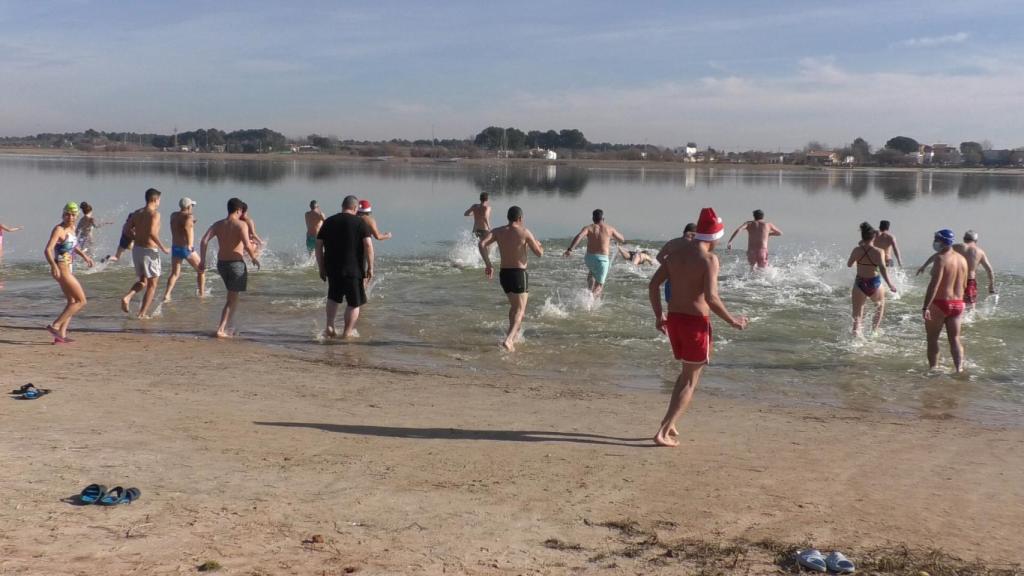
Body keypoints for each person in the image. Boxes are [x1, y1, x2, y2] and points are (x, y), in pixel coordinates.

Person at [648, 207, 747, 447]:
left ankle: (669, 423)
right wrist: (733, 320)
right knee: (691, 381)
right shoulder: (709, 259)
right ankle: (662, 432)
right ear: (715, 237)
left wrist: (659, 315)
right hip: (695, 324)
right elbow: (712, 298)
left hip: (674, 319)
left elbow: (653, 286)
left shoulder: (676, 254)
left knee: (684, 376)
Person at [478, 205, 544, 352]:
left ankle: (512, 337)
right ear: (520, 218)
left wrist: (488, 264)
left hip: (504, 275)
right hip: (519, 274)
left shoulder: (498, 231)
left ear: (508, 218)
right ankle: (509, 340)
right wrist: (540, 245)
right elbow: (539, 253)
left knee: (514, 307)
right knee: (520, 310)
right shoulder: (524, 232)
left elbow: (481, 244)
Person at [199, 198, 261, 338]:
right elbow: (246, 245)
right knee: (231, 299)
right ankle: (221, 329)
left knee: (232, 297)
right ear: (238, 210)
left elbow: (203, 241)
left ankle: (229, 325)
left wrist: (202, 260)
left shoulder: (218, 224)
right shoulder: (241, 225)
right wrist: (254, 257)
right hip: (235, 264)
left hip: (222, 264)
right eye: (241, 212)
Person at [316, 195, 374, 339]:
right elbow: (368, 245)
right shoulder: (360, 223)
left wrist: (321, 267)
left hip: (333, 269)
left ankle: (330, 325)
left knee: (333, 297)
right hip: (354, 270)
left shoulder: (328, 222)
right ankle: (347, 332)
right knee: (354, 303)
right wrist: (370, 268)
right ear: (355, 208)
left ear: (342, 206)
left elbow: (318, 246)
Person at [43, 202, 94, 343]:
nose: (70, 217)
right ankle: (55, 325)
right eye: (67, 214)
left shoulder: (71, 228)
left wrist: (85, 256)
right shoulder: (58, 229)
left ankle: (61, 336)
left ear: (76, 216)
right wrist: (53, 266)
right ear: (63, 214)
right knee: (81, 301)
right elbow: (47, 250)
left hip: (68, 268)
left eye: (73, 215)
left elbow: (73, 244)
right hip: (62, 269)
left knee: (72, 301)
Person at [922, 229, 969, 372]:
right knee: (955, 339)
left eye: (936, 240)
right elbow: (965, 284)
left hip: (940, 303)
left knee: (932, 338)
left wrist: (926, 307)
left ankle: (933, 369)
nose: (934, 242)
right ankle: (959, 369)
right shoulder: (962, 259)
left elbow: (934, 285)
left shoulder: (940, 258)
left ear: (941, 241)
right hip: (958, 304)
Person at [916, 230, 995, 312]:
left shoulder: (956, 247)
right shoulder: (980, 252)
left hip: (955, 278)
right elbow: (989, 270)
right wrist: (991, 286)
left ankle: (944, 313)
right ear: (976, 241)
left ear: (964, 239)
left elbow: (938, 255)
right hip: (969, 280)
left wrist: (924, 265)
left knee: (952, 299)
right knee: (970, 306)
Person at [120, 188, 170, 318]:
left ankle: (128, 296)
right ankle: (142, 314)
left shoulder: (137, 213)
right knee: (152, 285)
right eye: (159, 200)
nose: (159, 202)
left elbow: (125, 229)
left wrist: (136, 237)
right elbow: (152, 233)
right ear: (155, 199)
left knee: (143, 281)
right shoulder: (155, 214)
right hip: (149, 251)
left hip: (137, 250)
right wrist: (163, 248)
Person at [847, 222, 897, 335]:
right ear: (873, 237)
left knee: (857, 315)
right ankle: (874, 332)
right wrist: (890, 285)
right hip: (875, 283)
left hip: (859, 283)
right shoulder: (879, 252)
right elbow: (883, 269)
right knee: (879, 307)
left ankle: (856, 338)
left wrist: (860, 260)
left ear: (862, 237)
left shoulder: (856, 250)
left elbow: (849, 264)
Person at [563, 209, 625, 297]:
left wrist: (570, 250)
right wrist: (612, 237)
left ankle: (588, 290)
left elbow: (579, 236)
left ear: (593, 218)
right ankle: (590, 300)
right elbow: (622, 239)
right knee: (599, 285)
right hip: (602, 261)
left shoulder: (588, 228)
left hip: (589, 259)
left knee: (592, 273)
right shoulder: (609, 228)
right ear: (603, 218)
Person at [162, 197, 206, 302]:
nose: (192, 208)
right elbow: (186, 228)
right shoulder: (189, 217)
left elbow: (181, 224)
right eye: (192, 206)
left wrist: (191, 223)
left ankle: (167, 294)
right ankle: (201, 293)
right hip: (186, 248)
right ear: (188, 206)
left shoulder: (173, 215)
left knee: (175, 274)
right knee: (201, 270)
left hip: (175, 247)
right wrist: (190, 244)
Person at [657, 223, 696, 302]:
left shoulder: (672, 242)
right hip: (686, 281)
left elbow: (659, 257)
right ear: (693, 234)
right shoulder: (693, 245)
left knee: (672, 308)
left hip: (671, 280)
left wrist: (669, 267)